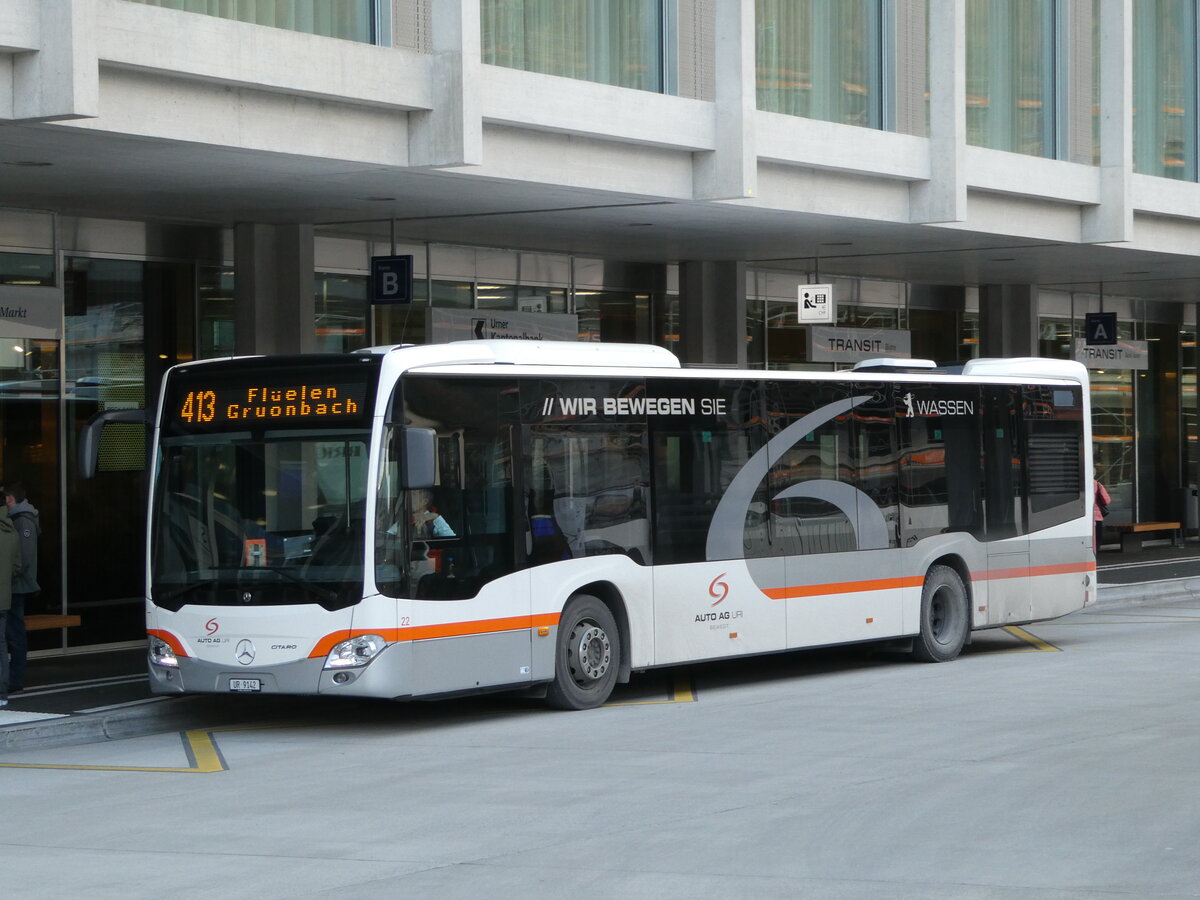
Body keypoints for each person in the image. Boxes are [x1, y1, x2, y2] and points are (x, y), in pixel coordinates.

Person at [3, 481, 39, 694]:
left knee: (14, 633)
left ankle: (16, 677)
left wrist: (9, 574)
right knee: (12, 632)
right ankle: (13, 676)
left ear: (9, 499)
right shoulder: (19, 519)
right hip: (15, 585)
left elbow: (22, 559)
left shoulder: (22, 521)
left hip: (17, 586)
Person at [0, 502, 19, 708]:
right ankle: (2, 693)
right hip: (4, 599)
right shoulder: (12, 532)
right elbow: (17, 566)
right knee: (1, 646)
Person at [1093, 468, 1111, 554]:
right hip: (1097, 517)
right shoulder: (1097, 484)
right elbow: (1107, 500)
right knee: (1097, 539)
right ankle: (1095, 554)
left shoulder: (1081, 485)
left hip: (1083, 517)